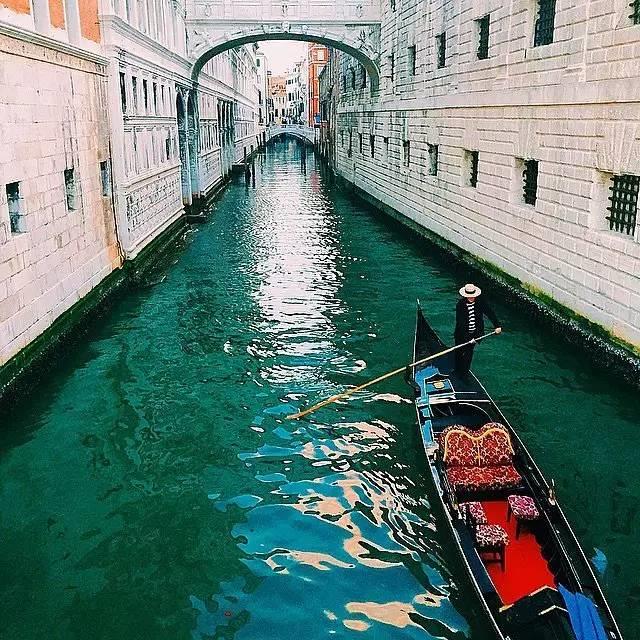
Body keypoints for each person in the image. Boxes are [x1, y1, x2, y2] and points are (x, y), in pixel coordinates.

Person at [454, 283, 502, 377]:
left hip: (475, 334)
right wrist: (468, 338)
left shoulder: (480, 302)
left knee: (468, 355)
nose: (471, 298)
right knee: (459, 353)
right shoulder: (460, 305)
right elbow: (461, 323)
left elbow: (490, 312)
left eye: (473, 296)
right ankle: (457, 371)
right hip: (461, 335)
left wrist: (497, 325)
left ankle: (464, 374)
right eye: (469, 296)